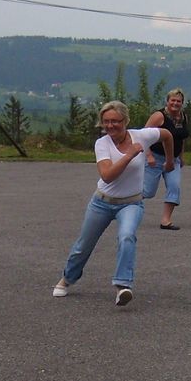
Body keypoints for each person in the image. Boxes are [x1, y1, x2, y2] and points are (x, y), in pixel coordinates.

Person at [53, 101, 174, 306]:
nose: (110, 126)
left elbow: (167, 135)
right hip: (102, 202)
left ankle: (123, 286)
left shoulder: (142, 136)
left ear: (125, 121)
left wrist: (169, 160)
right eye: (106, 122)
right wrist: (130, 154)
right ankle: (67, 279)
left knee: (127, 236)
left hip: (131, 203)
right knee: (84, 245)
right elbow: (107, 176)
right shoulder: (102, 144)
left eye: (115, 121)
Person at [143, 88, 189, 230]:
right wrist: (148, 156)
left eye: (178, 101)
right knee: (147, 191)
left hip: (173, 160)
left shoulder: (184, 117)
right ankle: (123, 204)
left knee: (174, 187)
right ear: (167, 101)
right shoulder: (159, 116)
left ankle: (166, 220)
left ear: (182, 103)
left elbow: (181, 139)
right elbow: (143, 136)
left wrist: (181, 156)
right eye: (172, 100)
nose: (175, 103)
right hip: (155, 158)